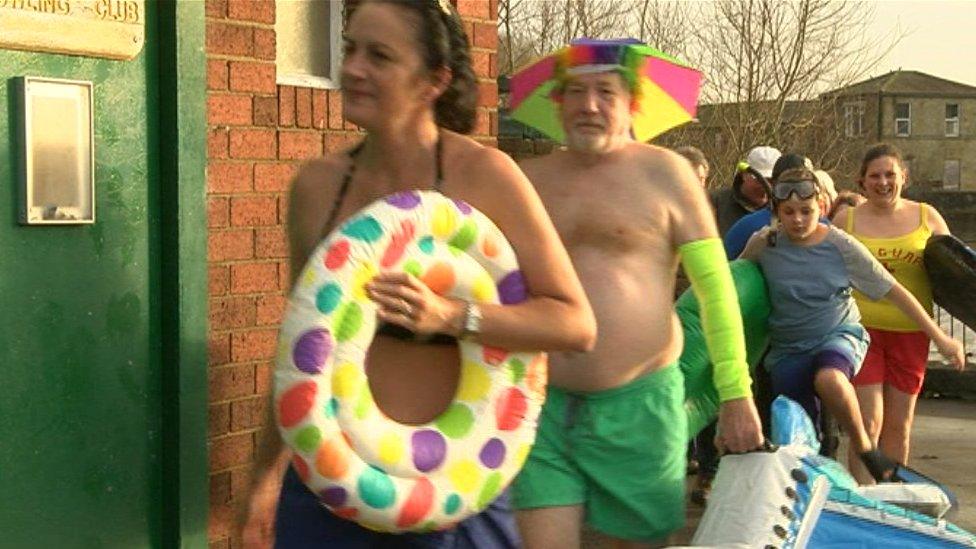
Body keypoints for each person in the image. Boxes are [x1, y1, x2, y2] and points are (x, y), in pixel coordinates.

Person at [237, 1, 597, 547]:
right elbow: (300, 348)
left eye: (379, 56)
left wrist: (452, 315)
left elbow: (574, 323)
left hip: (449, 500)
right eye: (350, 48)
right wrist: (265, 475)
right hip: (329, 490)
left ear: (434, 80)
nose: (353, 68)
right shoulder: (316, 186)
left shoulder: (487, 177)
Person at [514, 40, 764, 548]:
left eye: (605, 92)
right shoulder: (526, 180)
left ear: (634, 104)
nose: (588, 105)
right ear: (556, 103)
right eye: (576, 92)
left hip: (640, 408)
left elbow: (715, 290)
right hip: (540, 404)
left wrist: (736, 392)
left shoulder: (667, 176)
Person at [738, 167, 964, 484]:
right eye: (789, 212)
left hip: (838, 335)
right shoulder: (765, 244)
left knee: (829, 378)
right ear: (776, 212)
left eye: (807, 211)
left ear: (822, 206)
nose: (799, 220)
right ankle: (813, 491)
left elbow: (895, 292)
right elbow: (735, 281)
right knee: (795, 433)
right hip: (789, 348)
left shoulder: (840, 244)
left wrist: (940, 337)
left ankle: (867, 448)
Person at [834, 143, 967, 484]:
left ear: (903, 177)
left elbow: (957, 273)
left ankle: (891, 499)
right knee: (868, 422)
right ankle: (863, 498)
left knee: (899, 425)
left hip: (912, 334)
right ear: (862, 181)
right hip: (861, 331)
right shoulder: (846, 220)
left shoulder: (927, 217)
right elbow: (821, 269)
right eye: (874, 176)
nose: (883, 182)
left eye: (890, 175)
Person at [710, 145, 779, 234]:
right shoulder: (716, 203)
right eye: (759, 179)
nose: (766, 186)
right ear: (744, 175)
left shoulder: (785, 212)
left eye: (772, 180)